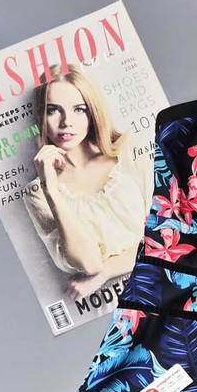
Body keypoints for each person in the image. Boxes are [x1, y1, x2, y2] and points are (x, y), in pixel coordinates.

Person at [23, 62, 153, 301]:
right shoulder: (38, 193)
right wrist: (51, 189)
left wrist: (105, 273)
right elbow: (90, 263)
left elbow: (168, 232)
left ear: (93, 111)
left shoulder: (128, 152)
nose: (66, 122)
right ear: (41, 116)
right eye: (53, 110)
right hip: (107, 307)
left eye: (79, 109)